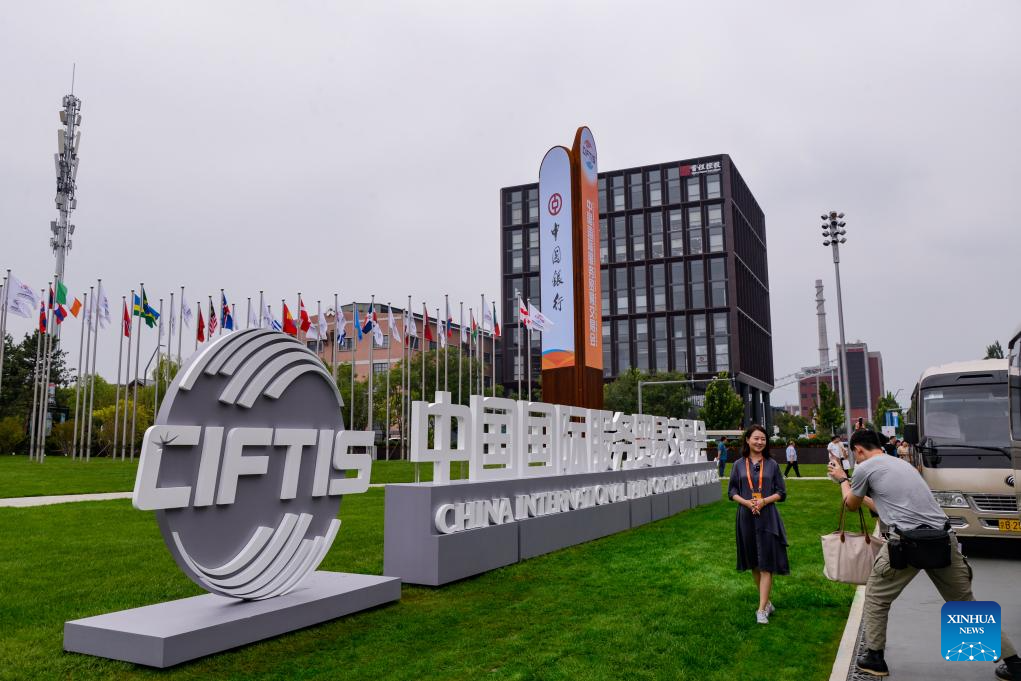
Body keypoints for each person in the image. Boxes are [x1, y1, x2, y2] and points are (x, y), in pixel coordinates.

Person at [828, 428, 1020, 679]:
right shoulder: (901, 465)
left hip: (905, 543)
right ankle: (1014, 663)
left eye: (855, 454)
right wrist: (861, 492)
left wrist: (843, 480)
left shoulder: (865, 468)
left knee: (876, 596)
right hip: (943, 539)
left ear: (858, 450)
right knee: (964, 604)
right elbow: (888, 505)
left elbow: (851, 505)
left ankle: (874, 657)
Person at [728, 424, 789, 625]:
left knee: (766, 563)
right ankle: (767, 602)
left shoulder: (772, 464)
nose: (759, 442)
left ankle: (761, 609)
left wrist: (763, 501)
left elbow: (781, 493)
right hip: (746, 517)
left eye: (763, 439)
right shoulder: (738, 464)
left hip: (767, 516)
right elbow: (732, 491)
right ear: (747, 440)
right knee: (754, 562)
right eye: (756, 438)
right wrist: (747, 502)